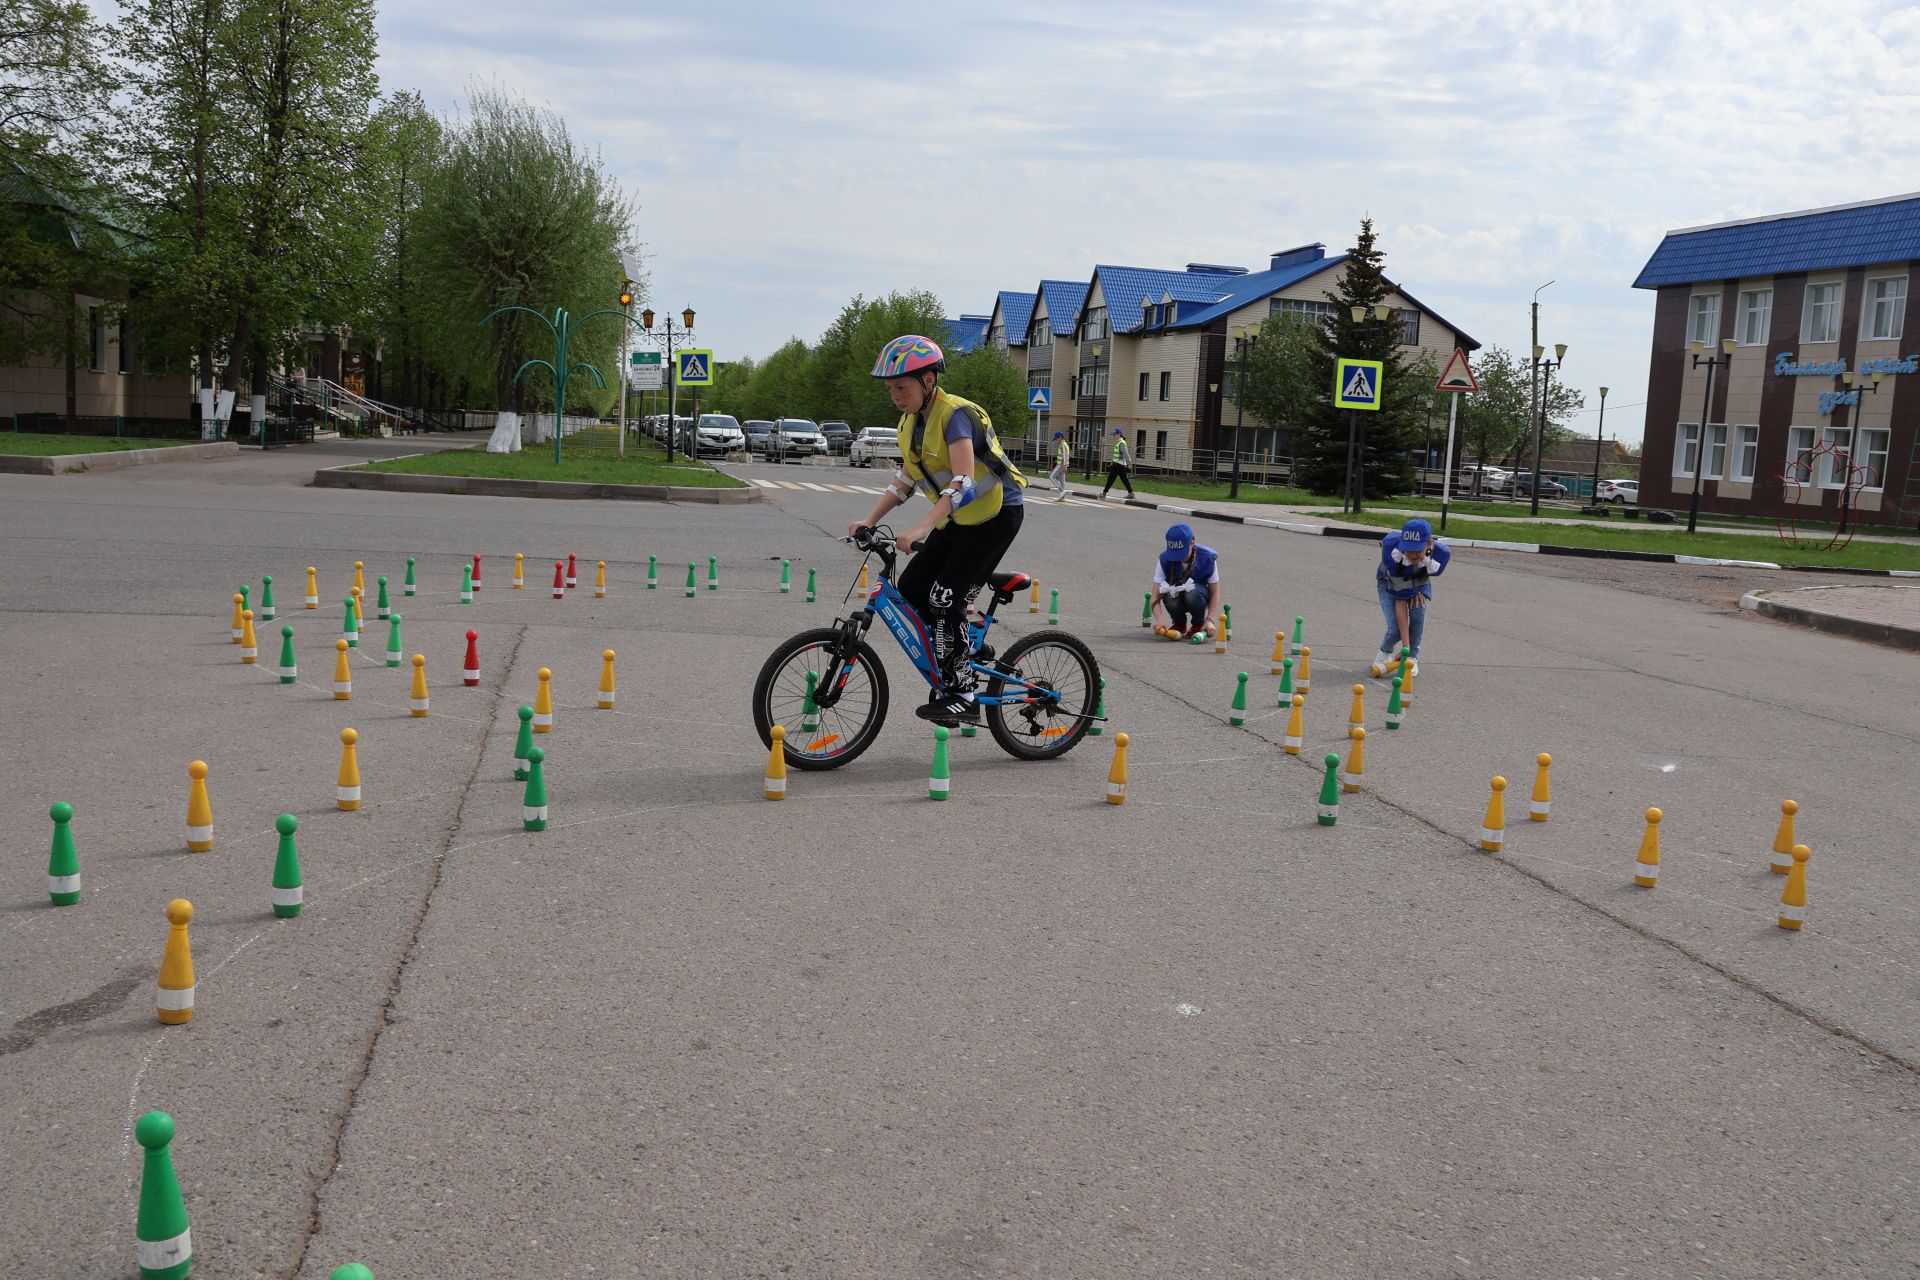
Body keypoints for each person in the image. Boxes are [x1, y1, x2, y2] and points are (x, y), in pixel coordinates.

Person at [848, 334, 1027, 725]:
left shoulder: (955, 416)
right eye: (891, 388)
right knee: (912, 592)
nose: (895, 395)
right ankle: (961, 652)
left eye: (902, 386)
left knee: (945, 599)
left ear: (929, 381)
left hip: (995, 517)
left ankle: (963, 692)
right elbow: (905, 481)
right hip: (957, 518)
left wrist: (923, 527)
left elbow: (963, 481)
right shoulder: (911, 424)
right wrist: (869, 520)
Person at [1372, 517, 1449, 677]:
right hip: (1390, 583)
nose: (1413, 555)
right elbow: (1401, 603)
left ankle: (1413, 658)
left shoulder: (1438, 556)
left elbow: (1424, 572)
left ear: (1429, 544)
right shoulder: (1393, 556)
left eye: (1417, 550)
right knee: (1395, 629)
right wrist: (1405, 647)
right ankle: (1384, 654)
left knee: (1418, 616)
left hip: (1419, 580)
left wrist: (1419, 590)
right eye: (1409, 549)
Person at [1150, 523, 1220, 638]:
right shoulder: (1164, 558)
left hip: (1199, 595)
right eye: (1174, 554)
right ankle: (1180, 623)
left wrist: (1210, 620)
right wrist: (1159, 620)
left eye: (1181, 552)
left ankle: (1198, 624)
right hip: (1176, 594)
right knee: (1168, 593)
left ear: (1192, 541)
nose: (1178, 558)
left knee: (1193, 593)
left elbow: (1215, 592)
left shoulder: (1207, 557)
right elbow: (1155, 595)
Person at [1100, 426, 1135, 500]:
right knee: (1123, 479)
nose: (1113, 436)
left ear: (1119, 434)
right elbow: (1117, 455)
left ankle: (1104, 494)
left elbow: (1126, 454)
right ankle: (1131, 493)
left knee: (1111, 479)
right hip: (1118, 464)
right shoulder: (1119, 442)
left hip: (1119, 465)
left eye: (1114, 434)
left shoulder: (1121, 443)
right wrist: (1112, 462)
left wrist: (1129, 463)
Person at [1048, 430, 1070, 501]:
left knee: (1051, 476)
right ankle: (1062, 497)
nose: (1056, 440)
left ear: (1060, 437)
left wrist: (1064, 465)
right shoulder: (1065, 444)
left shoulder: (1063, 445)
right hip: (1063, 464)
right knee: (1062, 481)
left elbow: (1064, 455)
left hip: (1061, 464)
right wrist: (1066, 465)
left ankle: (1061, 491)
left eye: (1057, 439)